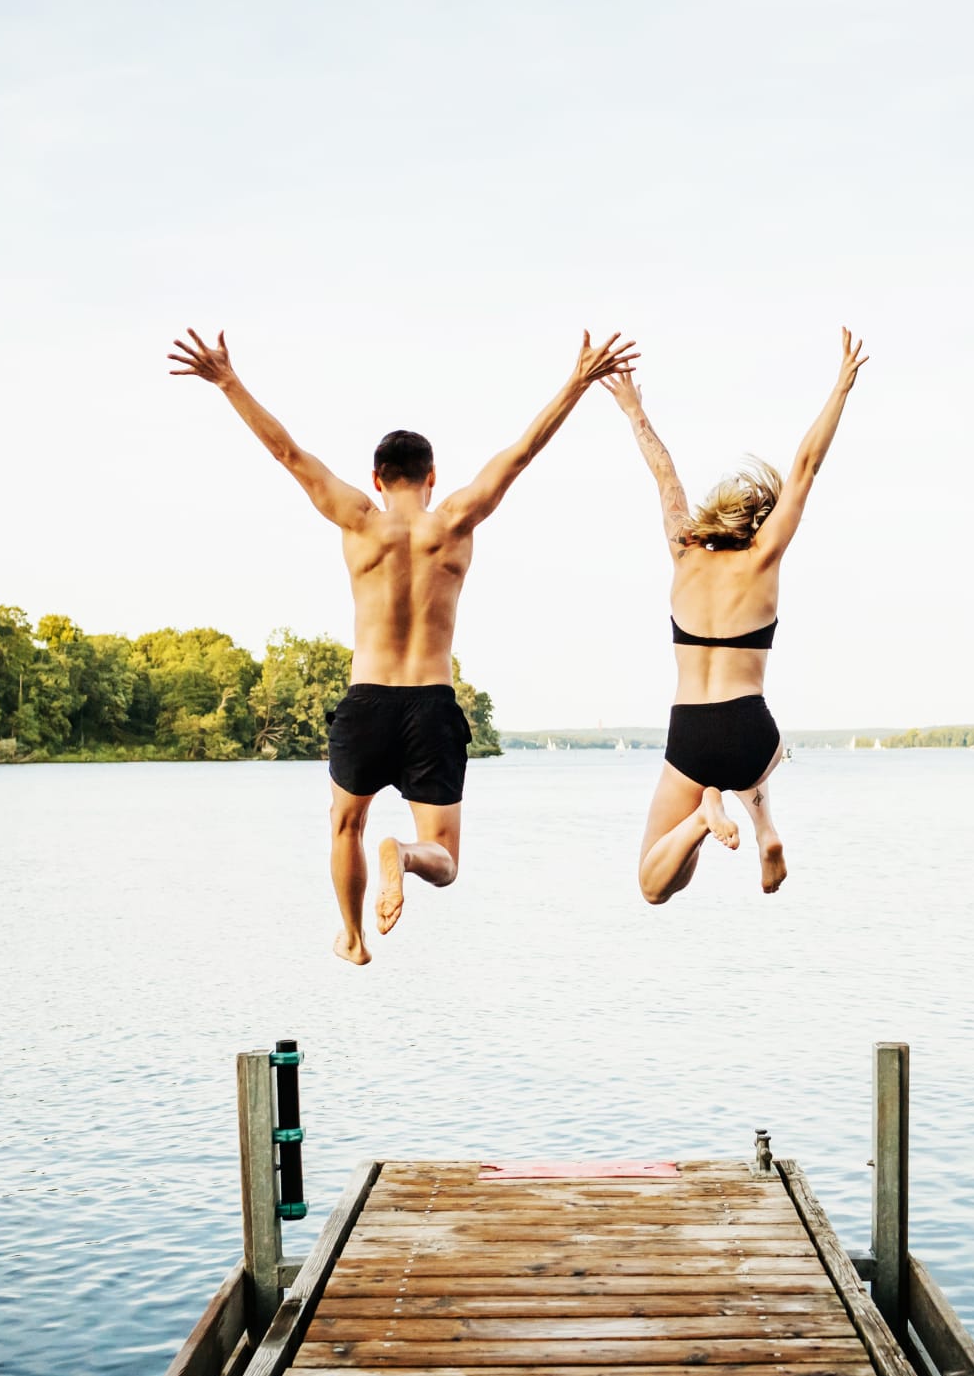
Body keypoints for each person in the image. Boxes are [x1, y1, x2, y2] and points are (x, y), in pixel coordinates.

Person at [169, 327, 637, 962]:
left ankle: (355, 937)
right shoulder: (455, 519)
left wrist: (228, 382)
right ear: (432, 477)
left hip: (367, 703)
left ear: (377, 477)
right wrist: (577, 383)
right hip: (431, 705)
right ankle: (406, 857)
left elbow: (287, 453)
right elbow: (521, 454)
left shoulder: (358, 518)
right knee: (444, 859)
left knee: (345, 824)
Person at [601, 328, 869, 902]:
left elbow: (664, 473)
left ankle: (703, 818)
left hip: (690, 731)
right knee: (763, 757)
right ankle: (765, 827)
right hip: (752, 729)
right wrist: (841, 387)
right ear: (756, 525)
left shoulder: (682, 552)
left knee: (655, 884)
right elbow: (805, 467)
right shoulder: (764, 559)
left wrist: (633, 409)